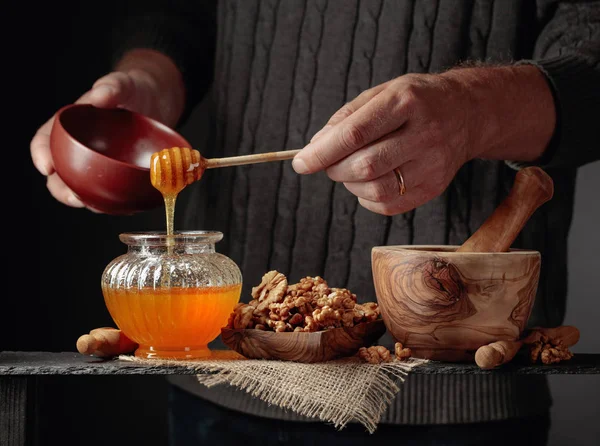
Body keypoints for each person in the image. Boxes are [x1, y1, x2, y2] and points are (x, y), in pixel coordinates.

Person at [30, 1, 599, 445]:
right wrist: (151, 75)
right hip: (226, 375)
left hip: (451, 393)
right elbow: (180, 12)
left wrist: (475, 108)